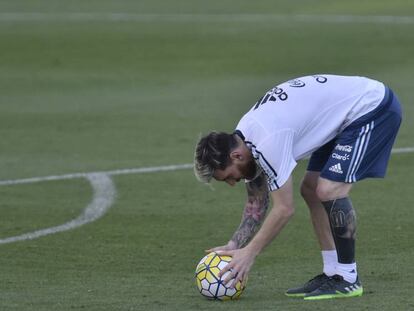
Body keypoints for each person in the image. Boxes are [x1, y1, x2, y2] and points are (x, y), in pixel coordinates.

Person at [193, 74, 402, 300]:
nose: (232, 183)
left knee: (329, 190)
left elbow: (284, 209)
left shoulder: (267, 140)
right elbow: (257, 201)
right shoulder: (245, 138)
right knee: (311, 189)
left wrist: (249, 253)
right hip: (342, 117)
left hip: (371, 107)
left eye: (228, 177)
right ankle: (333, 273)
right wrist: (234, 244)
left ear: (236, 156)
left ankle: (348, 278)